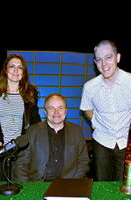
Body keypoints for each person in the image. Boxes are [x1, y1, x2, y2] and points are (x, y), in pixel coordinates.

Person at [80, 40, 131, 181]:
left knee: (124, 185)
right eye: (99, 60)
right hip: (101, 141)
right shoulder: (90, 87)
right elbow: (87, 109)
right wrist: (97, 122)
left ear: (118, 57)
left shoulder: (129, 82)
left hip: (126, 142)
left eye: (108, 57)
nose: (104, 64)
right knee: (102, 183)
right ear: (95, 63)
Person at [0, 53, 41, 180]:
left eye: (20, 67)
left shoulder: (30, 93)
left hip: (20, 151)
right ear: (5, 70)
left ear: (24, 72)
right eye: (12, 66)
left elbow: (35, 123)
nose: (16, 70)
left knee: (20, 186)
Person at [13, 94, 89, 182]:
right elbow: (22, 165)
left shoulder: (76, 131)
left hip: (68, 184)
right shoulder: (32, 132)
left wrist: (73, 184)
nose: (56, 112)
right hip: (39, 185)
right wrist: (27, 189)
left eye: (60, 108)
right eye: (51, 108)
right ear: (45, 111)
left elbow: (83, 162)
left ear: (66, 110)